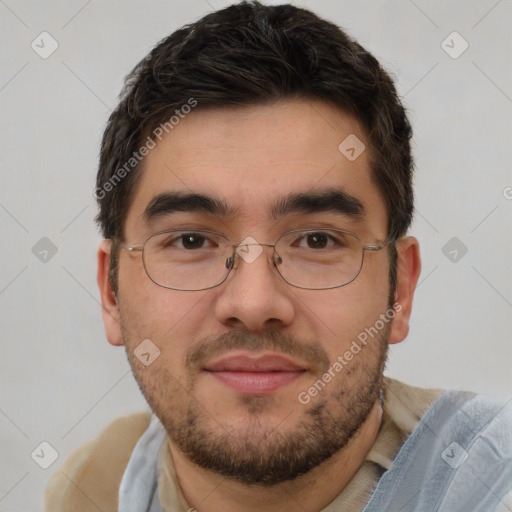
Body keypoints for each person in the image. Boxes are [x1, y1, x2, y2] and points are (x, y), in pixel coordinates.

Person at [44, 2, 512, 511]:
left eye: (316, 241)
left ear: (398, 291)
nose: (253, 301)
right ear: (111, 293)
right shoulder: (94, 485)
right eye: (191, 241)